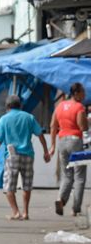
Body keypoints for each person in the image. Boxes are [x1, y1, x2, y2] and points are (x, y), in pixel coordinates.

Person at [0, 95, 51, 221]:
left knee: (9, 186)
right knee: (27, 185)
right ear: (19, 105)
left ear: (7, 106)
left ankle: (16, 212)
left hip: (12, 156)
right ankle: (25, 212)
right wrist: (46, 152)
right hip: (28, 155)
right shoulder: (29, 117)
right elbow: (40, 135)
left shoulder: (4, 119)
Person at [49, 83, 88, 216]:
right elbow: (82, 127)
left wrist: (53, 145)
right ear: (76, 93)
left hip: (62, 141)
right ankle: (75, 208)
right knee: (80, 177)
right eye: (83, 92)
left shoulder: (60, 106)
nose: (85, 94)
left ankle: (60, 199)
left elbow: (52, 125)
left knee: (66, 175)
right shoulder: (79, 107)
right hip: (76, 141)